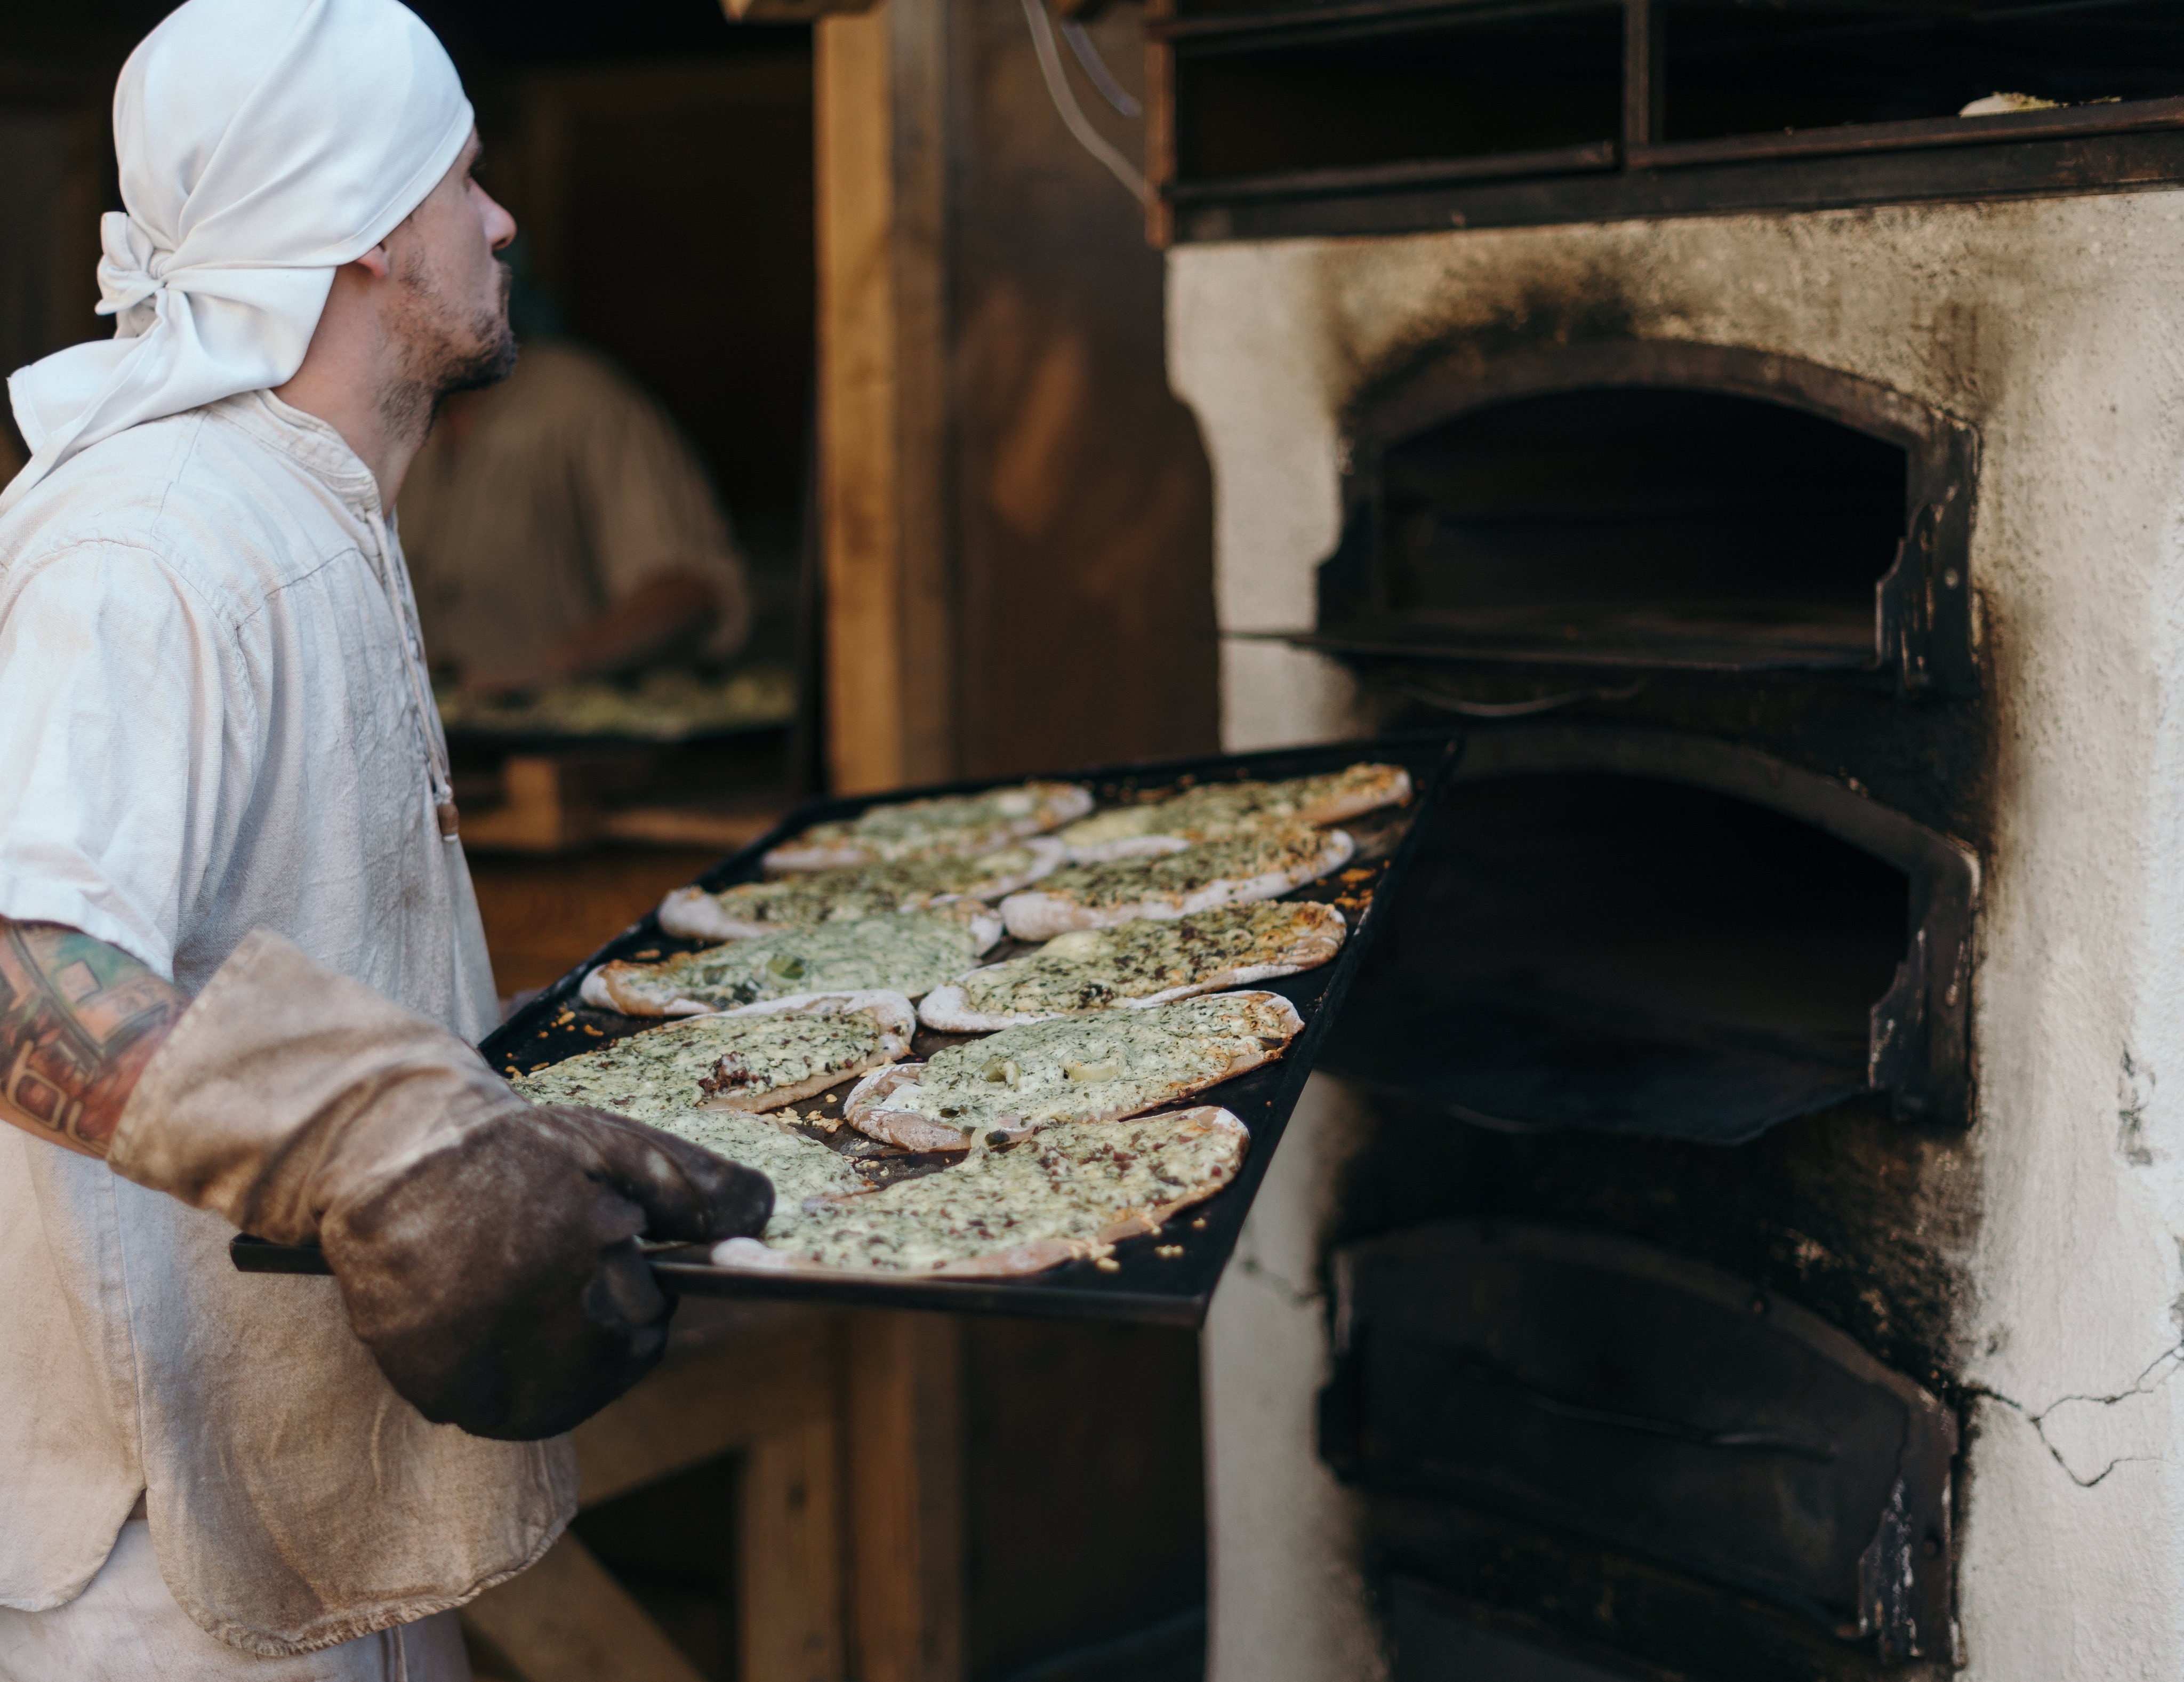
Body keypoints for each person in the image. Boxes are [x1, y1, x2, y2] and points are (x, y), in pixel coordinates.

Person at [0, 1, 770, 1676]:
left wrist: (473, 1129)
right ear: (356, 227)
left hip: (300, 1490)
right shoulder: (155, 546)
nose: (499, 223)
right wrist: (384, 1150)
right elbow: (16, 972)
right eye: (463, 180)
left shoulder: (299, 509)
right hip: (153, 1559)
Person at [399, 337, 751, 695]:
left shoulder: (582, 402)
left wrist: (556, 668)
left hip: (573, 737)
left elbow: (693, 591)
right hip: (439, 739)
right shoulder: (394, 416)